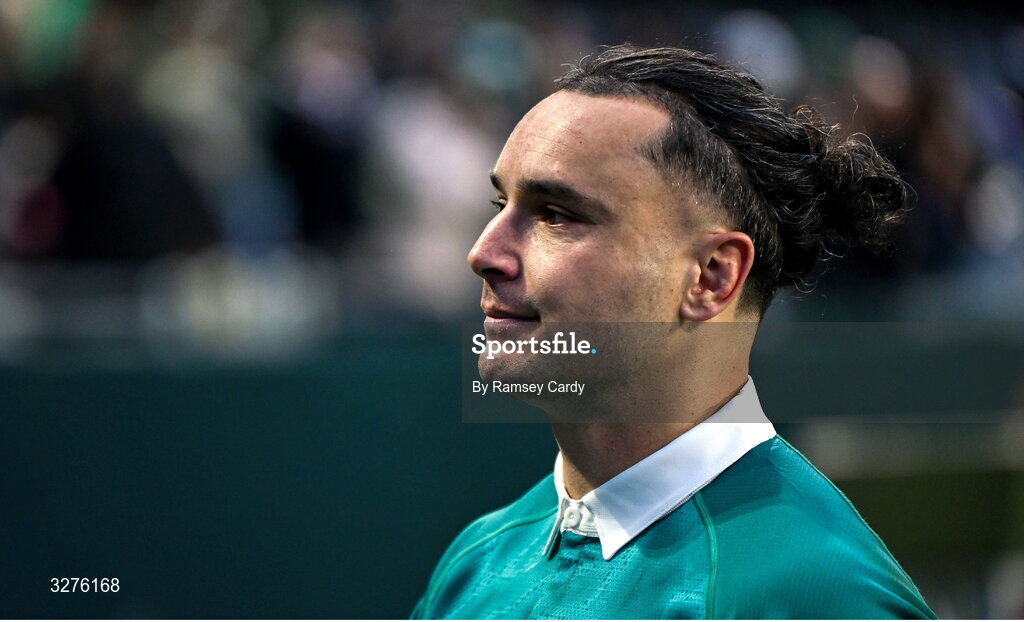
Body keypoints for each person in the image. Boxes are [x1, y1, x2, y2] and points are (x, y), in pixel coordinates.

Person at [411, 45, 936, 619]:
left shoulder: (818, 595)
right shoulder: (476, 562)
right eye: (500, 201)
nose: (483, 252)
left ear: (712, 277)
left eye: (556, 214)